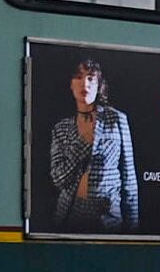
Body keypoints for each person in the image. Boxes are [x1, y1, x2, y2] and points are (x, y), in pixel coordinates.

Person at [45, 56, 139, 233]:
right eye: (78, 77)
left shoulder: (116, 119)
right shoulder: (61, 128)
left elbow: (129, 179)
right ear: (71, 84)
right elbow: (58, 179)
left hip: (108, 217)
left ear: (99, 83)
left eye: (90, 78)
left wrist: (133, 230)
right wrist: (83, 142)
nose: (85, 84)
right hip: (70, 216)